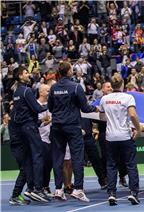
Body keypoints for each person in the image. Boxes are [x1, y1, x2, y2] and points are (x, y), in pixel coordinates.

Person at [48, 61, 98, 202]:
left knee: (58, 158)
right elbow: (85, 108)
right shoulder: (76, 87)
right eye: (72, 69)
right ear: (69, 71)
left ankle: (58, 189)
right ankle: (78, 189)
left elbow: (51, 108)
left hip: (57, 126)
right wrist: (97, 109)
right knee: (77, 157)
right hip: (72, 126)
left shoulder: (53, 88)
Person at [9, 66, 50, 204]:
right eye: (26, 73)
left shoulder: (17, 91)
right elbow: (38, 108)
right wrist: (53, 104)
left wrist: (38, 121)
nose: (28, 74)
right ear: (20, 76)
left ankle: (25, 191)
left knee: (27, 165)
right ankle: (37, 189)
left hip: (22, 130)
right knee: (38, 156)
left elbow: (23, 112)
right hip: (27, 129)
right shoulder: (26, 90)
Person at [99, 75, 142, 206]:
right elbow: (133, 114)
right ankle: (133, 193)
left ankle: (112, 194)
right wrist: (139, 129)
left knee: (111, 165)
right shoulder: (128, 97)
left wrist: (112, 119)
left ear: (111, 86)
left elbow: (101, 117)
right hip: (125, 136)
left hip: (110, 137)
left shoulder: (104, 99)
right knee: (130, 164)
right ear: (122, 84)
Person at [37, 84, 54, 198]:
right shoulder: (35, 105)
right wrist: (46, 121)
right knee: (41, 165)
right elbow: (36, 123)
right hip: (39, 139)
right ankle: (37, 188)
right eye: (47, 91)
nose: (49, 93)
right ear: (41, 92)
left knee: (49, 164)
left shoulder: (50, 105)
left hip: (50, 138)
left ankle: (45, 186)